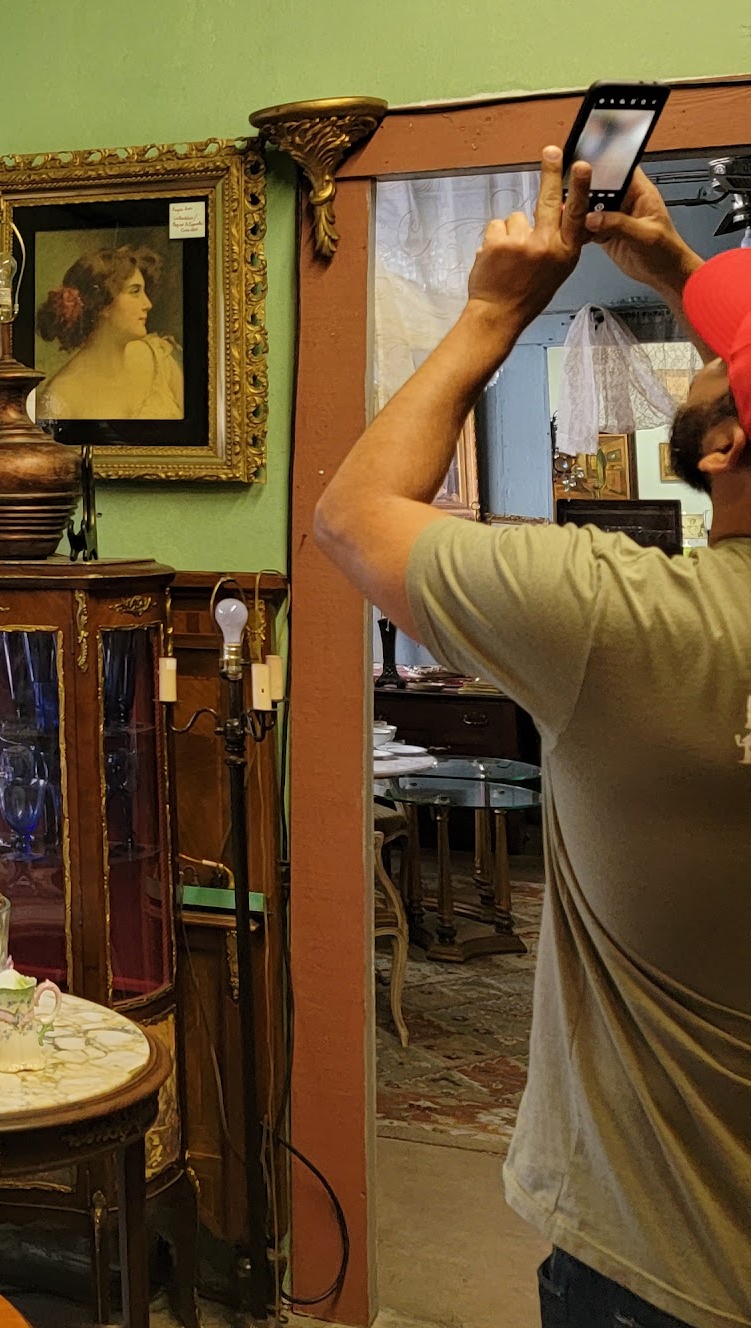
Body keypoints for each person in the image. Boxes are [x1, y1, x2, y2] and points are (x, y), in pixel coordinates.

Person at [315, 149, 751, 1328]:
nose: (703, 355)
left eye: (718, 358)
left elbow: (351, 518)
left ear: (724, 445)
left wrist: (494, 309)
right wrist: (679, 269)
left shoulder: (630, 625)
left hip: (660, 1264)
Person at [35, 243, 184, 419]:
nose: (148, 304)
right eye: (135, 292)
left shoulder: (158, 357)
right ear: (103, 303)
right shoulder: (61, 397)